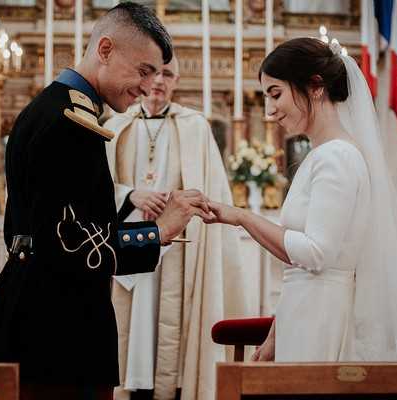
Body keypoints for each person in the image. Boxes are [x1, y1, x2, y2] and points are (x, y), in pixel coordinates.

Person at [0, 3, 213, 399]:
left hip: (35, 313)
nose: (147, 87)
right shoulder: (70, 123)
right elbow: (70, 245)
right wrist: (157, 232)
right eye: (143, 71)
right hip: (56, 334)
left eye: (157, 75)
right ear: (105, 49)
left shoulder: (53, 107)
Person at [204, 37, 397, 362]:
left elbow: (315, 254)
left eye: (276, 94)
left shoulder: (337, 158)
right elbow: (301, 268)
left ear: (315, 86)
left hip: (323, 319)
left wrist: (242, 216)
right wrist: (277, 330)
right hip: (305, 311)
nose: (270, 110)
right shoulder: (323, 155)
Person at [104, 56, 246, 400]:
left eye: (167, 74)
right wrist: (131, 195)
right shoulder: (116, 123)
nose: (159, 81)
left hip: (178, 246)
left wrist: (180, 200)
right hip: (126, 241)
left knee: (167, 323)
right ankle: (127, 388)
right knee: (130, 320)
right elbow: (96, 187)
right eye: (152, 72)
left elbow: (208, 186)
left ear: (176, 80)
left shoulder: (194, 125)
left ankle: (172, 388)